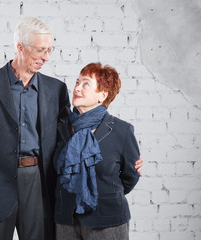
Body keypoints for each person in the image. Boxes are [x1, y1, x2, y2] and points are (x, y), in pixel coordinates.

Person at [0, 17, 70, 240]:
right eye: (40, 50)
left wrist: (119, 151)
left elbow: (69, 139)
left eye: (49, 50)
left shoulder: (56, 89)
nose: (46, 58)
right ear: (20, 47)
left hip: (40, 184)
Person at [53, 63, 140, 240]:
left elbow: (130, 176)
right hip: (66, 220)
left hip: (107, 220)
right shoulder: (61, 127)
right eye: (77, 82)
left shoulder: (121, 131)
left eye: (86, 84)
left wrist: (105, 194)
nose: (77, 88)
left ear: (102, 95)